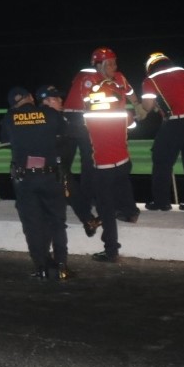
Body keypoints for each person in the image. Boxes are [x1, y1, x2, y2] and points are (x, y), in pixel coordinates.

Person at [0, 85, 72, 280]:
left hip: (25, 179)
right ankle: (62, 266)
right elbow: (64, 134)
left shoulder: (9, 118)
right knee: (57, 222)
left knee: (32, 224)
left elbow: (4, 140)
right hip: (50, 176)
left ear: (13, 105)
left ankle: (40, 267)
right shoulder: (49, 113)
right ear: (31, 97)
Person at [61, 47, 135, 237]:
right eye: (109, 63)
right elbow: (93, 106)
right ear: (98, 65)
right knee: (87, 162)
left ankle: (101, 205)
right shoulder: (89, 79)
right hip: (76, 120)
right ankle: (88, 202)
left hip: (98, 122)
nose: (114, 66)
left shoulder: (118, 77)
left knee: (97, 164)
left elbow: (130, 92)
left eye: (115, 62)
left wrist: (139, 106)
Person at [141, 52, 184, 211]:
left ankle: (161, 201)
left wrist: (154, 105)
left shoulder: (150, 80)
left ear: (150, 67)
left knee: (161, 160)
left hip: (175, 122)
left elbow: (147, 106)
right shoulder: (183, 72)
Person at [83, 79, 140, 262]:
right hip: (123, 162)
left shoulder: (89, 117)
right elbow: (132, 125)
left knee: (105, 208)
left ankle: (111, 250)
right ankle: (131, 213)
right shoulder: (123, 114)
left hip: (103, 167)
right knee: (123, 186)